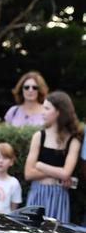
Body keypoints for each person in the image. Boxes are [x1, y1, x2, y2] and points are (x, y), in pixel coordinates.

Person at [24, 91, 82, 223]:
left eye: (47, 108)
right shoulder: (39, 136)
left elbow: (66, 173)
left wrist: (40, 165)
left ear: (59, 112)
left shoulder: (73, 140)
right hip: (37, 193)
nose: (42, 112)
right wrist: (57, 174)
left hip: (58, 195)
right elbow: (28, 173)